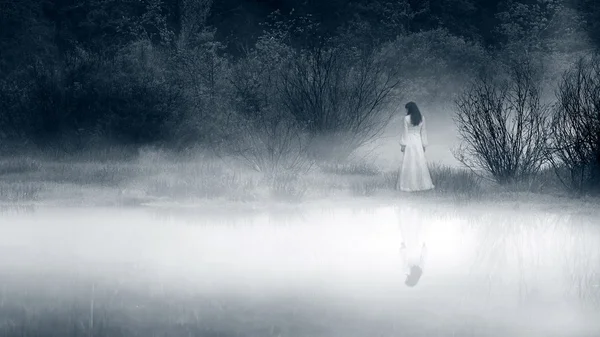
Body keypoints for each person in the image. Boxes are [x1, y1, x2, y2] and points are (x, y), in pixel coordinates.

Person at [397, 102, 435, 192]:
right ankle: (422, 184)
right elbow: (423, 132)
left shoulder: (406, 118)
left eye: (406, 109)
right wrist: (424, 144)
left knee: (409, 163)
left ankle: (408, 185)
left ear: (409, 109)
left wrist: (403, 144)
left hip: (409, 142)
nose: (406, 110)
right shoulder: (422, 118)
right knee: (419, 163)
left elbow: (405, 133)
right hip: (418, 142)